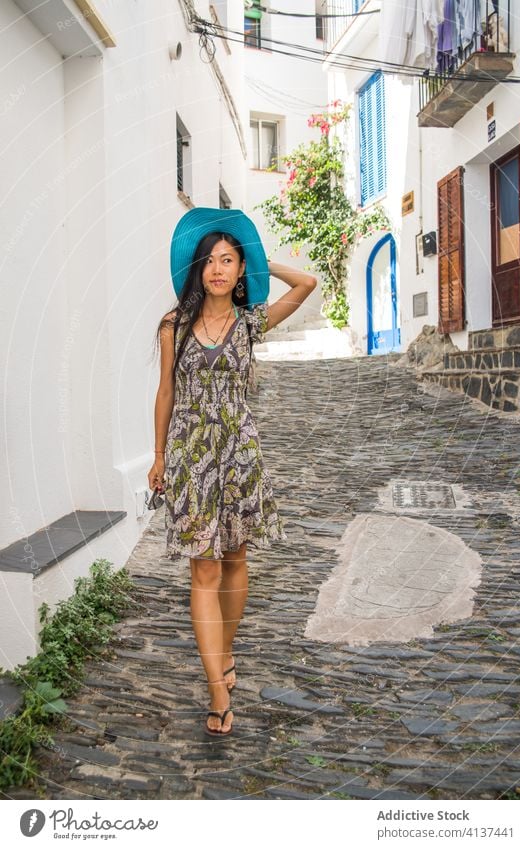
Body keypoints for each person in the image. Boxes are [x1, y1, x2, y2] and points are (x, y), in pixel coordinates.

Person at [149, 208, 316, 736]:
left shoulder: (251, 323)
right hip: (191, 455)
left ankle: (225, 650)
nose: (218, 269)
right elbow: (167, 393)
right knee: (204, 568)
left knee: (236, 558)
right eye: (210, 261)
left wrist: (265, 260)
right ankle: (217, 690)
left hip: (240, 456)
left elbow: (308, 283)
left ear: (240, 270)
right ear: (197, 271)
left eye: (229, 260)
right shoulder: (173, 326)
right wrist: (158, 456)